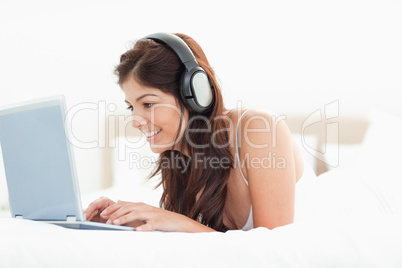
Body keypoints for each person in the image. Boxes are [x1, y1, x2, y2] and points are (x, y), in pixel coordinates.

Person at [84, 32, 315, 232]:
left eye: (149, 104)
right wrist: (123, 220)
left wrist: (176, 221)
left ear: (194, 95)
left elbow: (276, 247)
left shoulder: (259, 130)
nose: (135, 121)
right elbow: (213, 239)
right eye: (131, 107)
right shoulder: (179, 161)